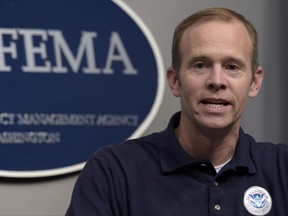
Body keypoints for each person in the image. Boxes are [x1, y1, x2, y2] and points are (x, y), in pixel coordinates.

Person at [65, 7, 288, 216]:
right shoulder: (114, 172)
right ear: (174, 81)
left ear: (254, 82)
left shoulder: (282, 168)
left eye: (232, 67)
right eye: (200, 65)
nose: (217, 81)